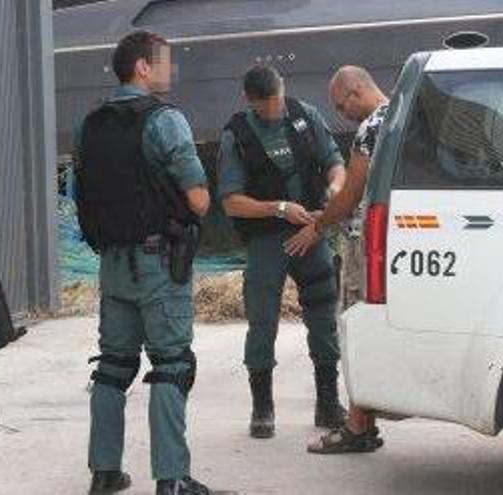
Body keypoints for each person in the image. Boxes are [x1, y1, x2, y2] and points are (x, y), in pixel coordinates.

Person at [74, 31, 212, 495]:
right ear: (142, 68)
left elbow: (82, 195)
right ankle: (172, 478)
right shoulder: (165, 120)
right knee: (173, 364)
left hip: (111, 263)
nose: (171, 71)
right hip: (159, 264)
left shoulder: (90, 124)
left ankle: (104, 472)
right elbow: (198, 199)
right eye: (165, 63)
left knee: (113, 365)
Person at [218, 65, 348, 439]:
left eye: (277, 100)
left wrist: (335, 193)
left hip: (312, 231)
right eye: (265, 105)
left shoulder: (305, 114)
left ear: (283, 88)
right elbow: (231, 202)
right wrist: (279, 208)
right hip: (267, 240)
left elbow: (334, 163)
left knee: (324, 315)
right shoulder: (236, 136)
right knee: (262, 321)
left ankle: (328, 402)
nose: (275, 109)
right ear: (250, 101)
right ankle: (262, 408)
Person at [285, 65, 390, 454]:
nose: (341, 113)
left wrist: (319, 225)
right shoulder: (399, 116)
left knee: (355, 328)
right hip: (389, 239)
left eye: (340, 104)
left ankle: (358, 427)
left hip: (364, 245)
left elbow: (350, 194)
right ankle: (365, 420)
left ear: (357, 90)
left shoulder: (370, 128)